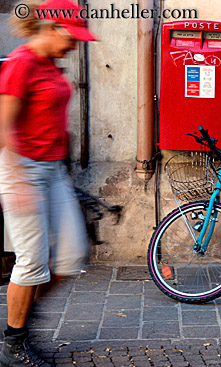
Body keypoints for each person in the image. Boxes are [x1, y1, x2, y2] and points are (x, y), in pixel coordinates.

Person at [0, 0, 97, 366]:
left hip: (53, 171)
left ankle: (24, 314)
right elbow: (3, 127)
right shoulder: (20, 64)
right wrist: (18, 179)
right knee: (32, 262)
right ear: (52, 28)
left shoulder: (51, 65)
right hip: (21, 170)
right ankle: (14, 344)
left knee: (71, 256)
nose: (76, 45)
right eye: (72, 38)